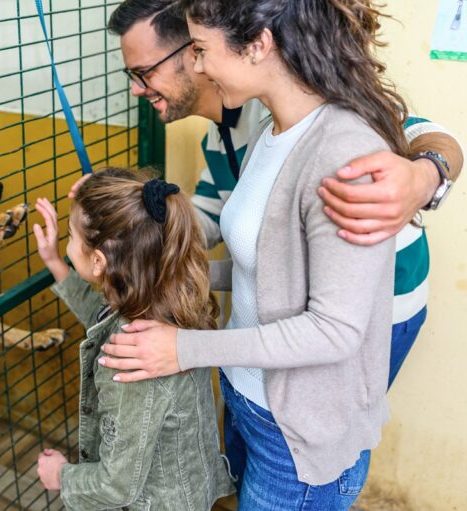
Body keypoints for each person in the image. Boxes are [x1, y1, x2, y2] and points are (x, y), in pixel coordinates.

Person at [93, 0, 424, 508]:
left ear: (257, 45)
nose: (198, 65)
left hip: (299, 425)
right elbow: (265, 260)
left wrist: (184, 348)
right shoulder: (268, 133)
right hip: (252, 394)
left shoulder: (342, 149)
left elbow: (333, 331)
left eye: (201, 49)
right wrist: (167, 271)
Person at [101, 0, 463, 390]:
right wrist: (127, 228)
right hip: (289, 318)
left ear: (194, 50)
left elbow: (422, 132)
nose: (136, 88)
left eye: (144, 72)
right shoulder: (224, 135)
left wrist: (425, 175)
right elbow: (209, 217)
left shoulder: (291, 111)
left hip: (381, 306)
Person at [32, 168, 234, 509]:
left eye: (70, 236)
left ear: (98, 261)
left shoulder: (131, 360)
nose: (67, 245)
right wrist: (55, 261)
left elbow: (116, 486)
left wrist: (61, 476)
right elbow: (103, 318)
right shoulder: (167, 299)